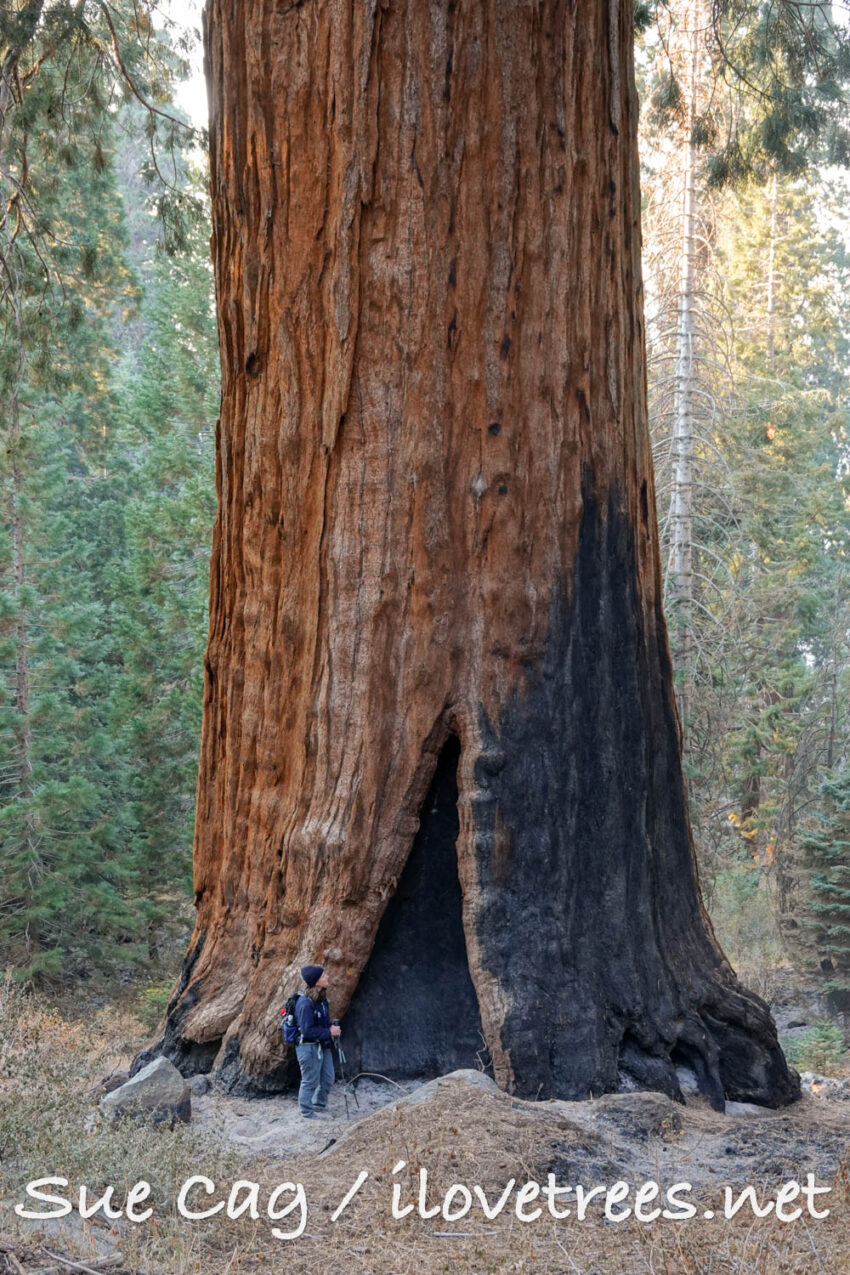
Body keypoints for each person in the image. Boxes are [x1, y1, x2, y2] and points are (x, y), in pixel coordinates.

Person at [294, 964, 341, 1119]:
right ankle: (307, 1113)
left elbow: (323, 1023)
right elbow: (307, 1030)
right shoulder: (304, 1004)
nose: (327, 976)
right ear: (316, 981)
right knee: (309, 1081)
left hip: (321, 1045)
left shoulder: (321, 1000)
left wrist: (331, 1029)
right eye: (323, 976)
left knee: (328, 1078)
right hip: (307, 1047)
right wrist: (329, 1032)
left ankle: (318, 1106)